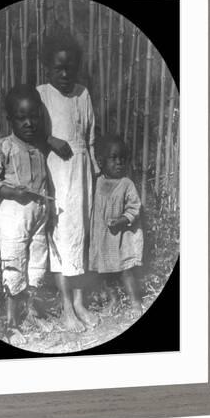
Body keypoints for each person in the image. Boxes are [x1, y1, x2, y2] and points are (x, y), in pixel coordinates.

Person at [37, 31, 99, 332]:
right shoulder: (41, 94)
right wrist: (49, 139)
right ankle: (65, 307)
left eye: (69, 68)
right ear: (47, 67)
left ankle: (79, 301)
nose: (64, 74)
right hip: (55, 174)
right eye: (57, 68)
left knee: (80, 237)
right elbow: (27, 130)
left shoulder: (82, 94)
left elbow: (89, 136)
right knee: (61, 239)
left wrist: (95, 174)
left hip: (82, 173)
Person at [0, 84, 49, 344]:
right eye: (21, 118)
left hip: (39, 217)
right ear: (10, 120)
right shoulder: (3, 148)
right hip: (13, 218)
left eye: (33, 116)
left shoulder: (40, 145)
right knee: (14, 266)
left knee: (36, 265)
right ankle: (11, 324)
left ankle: (32, 313)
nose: (29, 123)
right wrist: (12, 193)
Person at [89, 134, 143, 315]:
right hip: (101, 241)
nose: (119, 162)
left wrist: (121, 220)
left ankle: (136, 303)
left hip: (121, 239)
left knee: (125, 272)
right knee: (104, 273)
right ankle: (114, 299)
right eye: (113, 158)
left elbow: (135, 208)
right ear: (101, 161)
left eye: (122, 158)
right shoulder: (96, 182)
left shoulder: (126, 184)